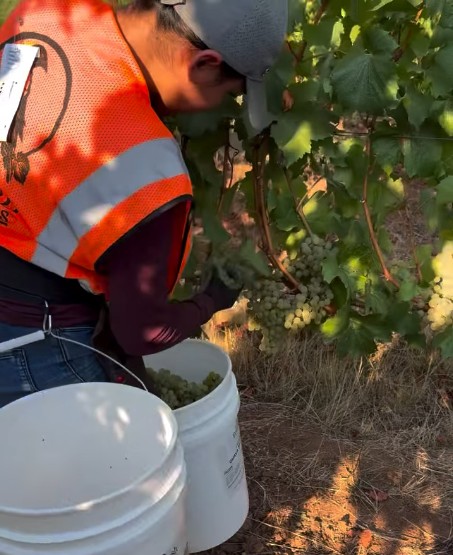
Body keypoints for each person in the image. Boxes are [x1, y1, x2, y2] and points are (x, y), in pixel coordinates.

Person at [0, 0, 288, 408]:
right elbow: (142, 332)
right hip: (34, 342)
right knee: (103, 466)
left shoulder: (46, 11)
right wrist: (210, 301)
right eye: (229, 92)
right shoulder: (144, 171)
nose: (222, 105)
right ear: (204, 64)